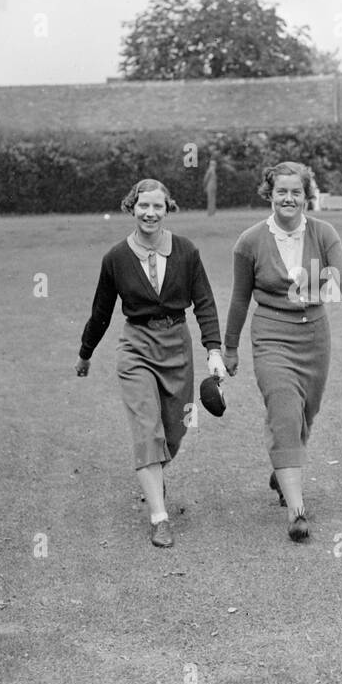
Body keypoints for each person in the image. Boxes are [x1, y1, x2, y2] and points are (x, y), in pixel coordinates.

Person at [223, 161, 342, 543]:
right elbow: (240, 298)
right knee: (284, 409)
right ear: (270, 194)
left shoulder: (324, 234)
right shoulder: (249, 241)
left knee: (306, 412)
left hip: (314, 337)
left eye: (296, 192)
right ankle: (296, 510)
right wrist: (229, 347)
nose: (289, 198)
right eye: (281, 192)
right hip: (271, 335)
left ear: (306, 195)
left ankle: (283, 471)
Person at [76, 179, 227, 549]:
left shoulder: (187, 251)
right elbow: (101, 312)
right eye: (143, 205)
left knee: (175, 430)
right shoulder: (116, 258)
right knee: (147, 430)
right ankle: (159, 518)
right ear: (132, 207)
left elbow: (204, 302)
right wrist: (85, 353)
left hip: (177, 344)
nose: (150, 213)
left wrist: (214, 350)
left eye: (157, 206)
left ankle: (156, 472)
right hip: (136, 347)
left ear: (167, 209)